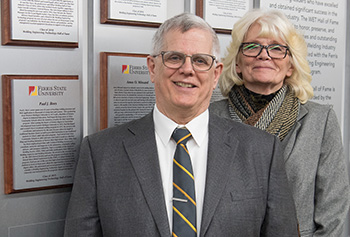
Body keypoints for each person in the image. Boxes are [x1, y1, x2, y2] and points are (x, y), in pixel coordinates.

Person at [64, 13, 299, 236]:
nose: (187, 70)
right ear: (153, 67)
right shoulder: (100, 153)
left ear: (216, 74)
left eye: (200, 60)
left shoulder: (261, 151)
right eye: (174, 57)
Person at [210, 8, 350, 237]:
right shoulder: (209, 117)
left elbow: (333, 210)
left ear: (291, 65)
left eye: (277, 48)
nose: (264, 55)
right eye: (252, 46)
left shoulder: (320, 121)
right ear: (237, 63)